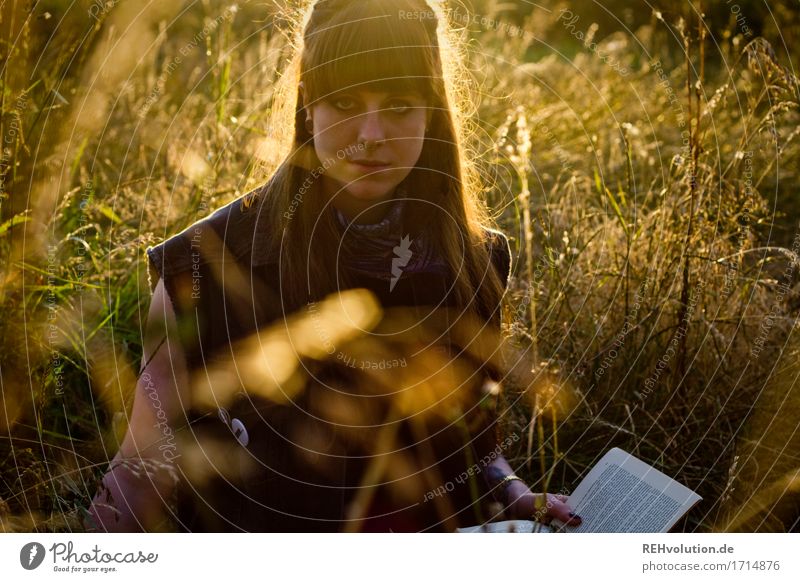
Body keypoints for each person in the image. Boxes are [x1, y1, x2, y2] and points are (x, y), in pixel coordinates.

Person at [87, 0, 581, 532]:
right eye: (345, 102)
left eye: (398, 105)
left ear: (432, 111)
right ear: (307, 104)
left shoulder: (474, 259)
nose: (371, 134)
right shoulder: (204, 263)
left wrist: (511, 492)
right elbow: (141, 468)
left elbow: (471, 449)